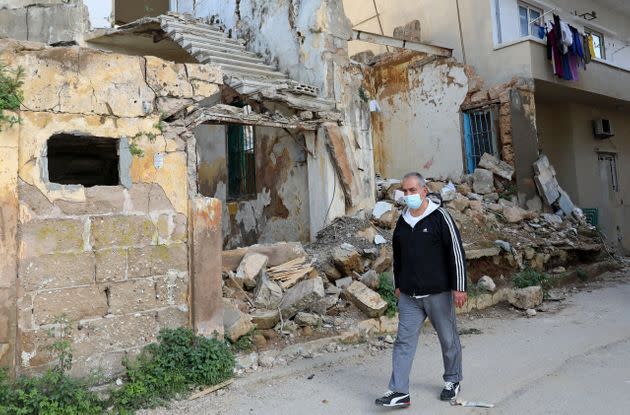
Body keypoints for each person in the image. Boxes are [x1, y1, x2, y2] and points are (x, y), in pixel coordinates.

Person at [375, 172, 468, 408]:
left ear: (424, 191)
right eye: (405, 192)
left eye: (412, 191)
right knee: (403, 342)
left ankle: (453, 380)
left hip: (438, 293)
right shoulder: (402, 221)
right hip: (409, 296)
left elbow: (456, 252)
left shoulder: (440, 217)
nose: (408, 195)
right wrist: (398, 284)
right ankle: (399, 392)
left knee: (448, 339)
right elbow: (398, 256)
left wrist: (460, 287)